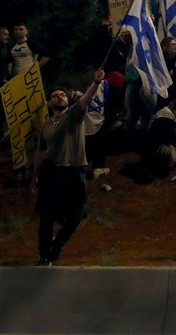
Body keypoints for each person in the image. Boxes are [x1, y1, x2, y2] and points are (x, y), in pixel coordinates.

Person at [31, 69, 105, 265]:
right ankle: (44, 255)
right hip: (52, 172)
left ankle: (57, 245)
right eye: (55, 96)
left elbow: (86, 99)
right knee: (46, 216)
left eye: (63, 95)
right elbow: (40, 152)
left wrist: (96, 82)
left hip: (74, 172)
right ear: (49, 103)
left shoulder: (74, 114)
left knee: (76, 216)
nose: (60, 97)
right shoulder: (46, 125)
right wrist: (34, 177)